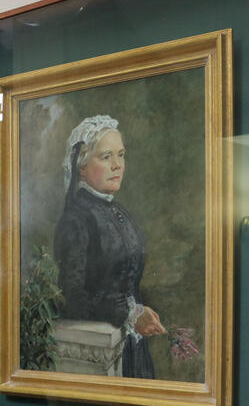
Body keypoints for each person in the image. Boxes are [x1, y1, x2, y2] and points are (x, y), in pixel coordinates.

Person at [52, 114, 165, 379]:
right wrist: (130, 313)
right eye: (106, 157)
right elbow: (71, 295)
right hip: (101, 353)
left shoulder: (118, 211)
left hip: (132, 344)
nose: (117, 165)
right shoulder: (76, 219)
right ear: (81, 167)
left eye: (121, 155)